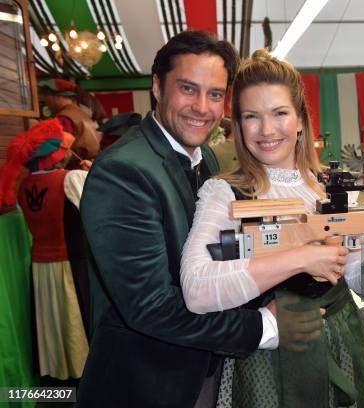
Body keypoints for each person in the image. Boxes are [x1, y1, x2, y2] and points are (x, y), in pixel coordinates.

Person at [180, 49, 364, 408]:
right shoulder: (223, 193)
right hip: (267, 361)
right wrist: (300, 258)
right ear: (237, 124)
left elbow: (357, 278)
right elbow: (196, 289)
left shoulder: (329, 188)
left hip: (342, 345)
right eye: (251, 116)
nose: (266, 130)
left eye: (279, 113)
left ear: (299, 119)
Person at [77, 31, 278, 407]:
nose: (202, 107)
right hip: (147, 385)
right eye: (188, 88)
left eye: (215, 94)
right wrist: (264, 326)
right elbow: (152, 306)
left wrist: (286, 256)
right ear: (157, 86)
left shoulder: (209, 161)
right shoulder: (123, 172)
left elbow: (217, 250)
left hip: (203, 372)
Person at [0, 119, 89, 382]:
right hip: (69, 265)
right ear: (59, 156)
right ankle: (79, 372)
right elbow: (98, 205)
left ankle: (55, 373)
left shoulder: (23, 187)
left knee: (50, 321)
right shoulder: (71, 179)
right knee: (73, 320)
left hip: (39, 265)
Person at [38, 79, 102, 164]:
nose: (45, 101)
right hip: (90, 166)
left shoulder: (64, 118)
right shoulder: (83, 114)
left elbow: (59, 152)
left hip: (75, 169)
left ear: (57, 97)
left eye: (46, 96)